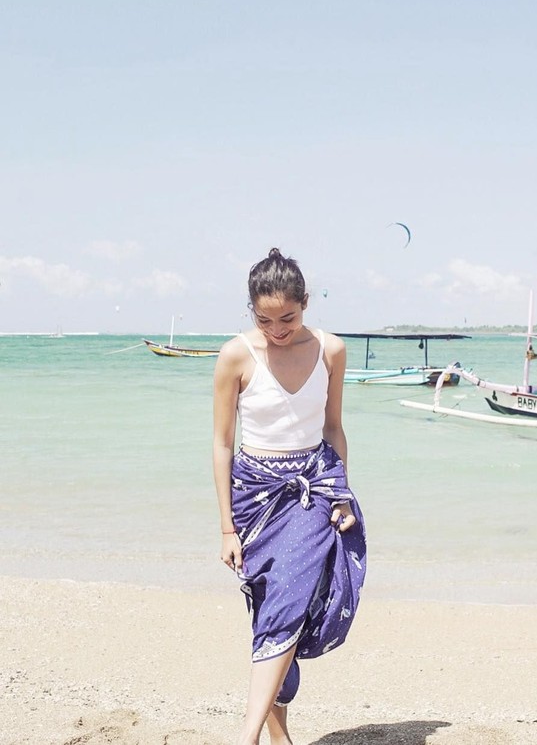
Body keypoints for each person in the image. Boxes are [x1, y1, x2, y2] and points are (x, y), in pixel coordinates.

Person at [212, 247, 366, 745]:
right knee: (269, 612)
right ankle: (280, 737)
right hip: (254, 498)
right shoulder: (236, 354)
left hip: (311, 492)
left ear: (306, 303)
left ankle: (248, 734)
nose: (277, 330)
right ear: (251, 311)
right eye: (265, 319)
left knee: (290, 600)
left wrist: (341, 495)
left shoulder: (331, 350)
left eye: (288, 318)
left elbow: (335, 430)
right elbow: (221, 445)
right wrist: (226, 528)